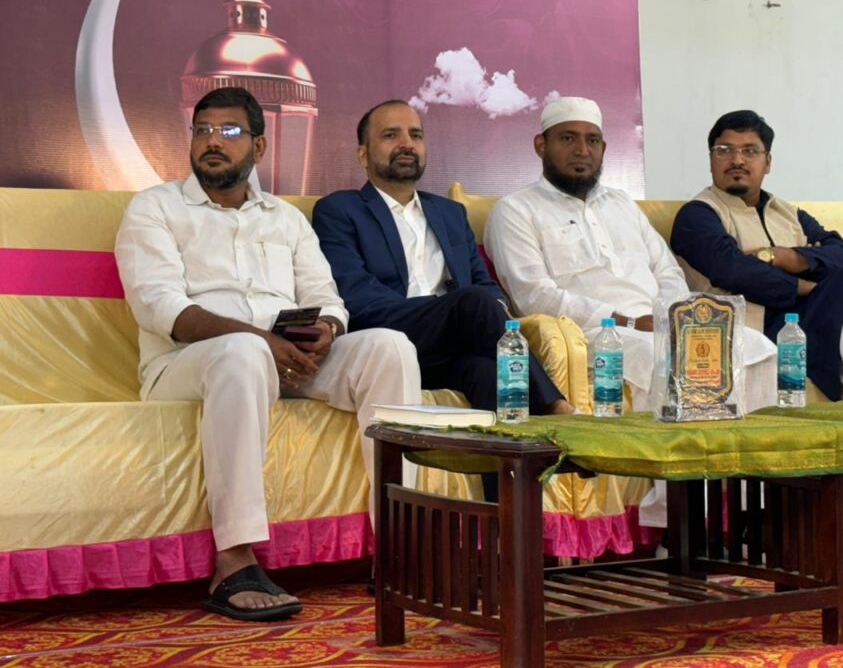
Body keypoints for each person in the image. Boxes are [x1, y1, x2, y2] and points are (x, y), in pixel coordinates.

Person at [115, 88, 420, 622]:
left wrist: (326, 329)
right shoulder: (155, 207)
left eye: (230, 131)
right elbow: (161, 307)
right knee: (241, 352)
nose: (213, 141)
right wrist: (259, 339)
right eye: (203, 130)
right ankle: (234, 561)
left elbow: (327, 297)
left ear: (259, 146)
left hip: (285, 360)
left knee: (390, 347)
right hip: (187, 365)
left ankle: (400, 550)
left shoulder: (285, 218)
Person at [483, 96, 777, 415]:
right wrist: (627, 321)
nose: (582, 150)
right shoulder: (515, 210)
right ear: (541, 145)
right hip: (591, 333)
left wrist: (668, 317)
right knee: (655, 356)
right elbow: (534, 296)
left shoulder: (621, 204)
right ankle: (670, 446)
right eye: (568, 138)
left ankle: (754, 444)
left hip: (658, 325)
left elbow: (667, 271)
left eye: (592, 140)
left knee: (757, 346)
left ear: (603, 149)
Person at [312, 100, 574, 428]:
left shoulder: (450, 213)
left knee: (488, 373)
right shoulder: (340, 210)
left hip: (448, 350)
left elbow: (484, 283)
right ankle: (557, 407)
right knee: (472, 302)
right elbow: (356, 294)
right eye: (391, 135)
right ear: (363, 155)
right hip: (385, 338)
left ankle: (509, 461)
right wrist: (447, 313)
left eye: (416, 135)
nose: (407, 143)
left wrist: (478, 315)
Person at [672, 109, 843, 401]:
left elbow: (842, 256)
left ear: (768, 163)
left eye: (750, 151)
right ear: (711, 159)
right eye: (724, 150)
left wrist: (782, 257)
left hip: (805, 320)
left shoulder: (788, 214)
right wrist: (813, 285)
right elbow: (735, 272)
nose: (737, 160)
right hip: (749, 332)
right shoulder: (698, 215)